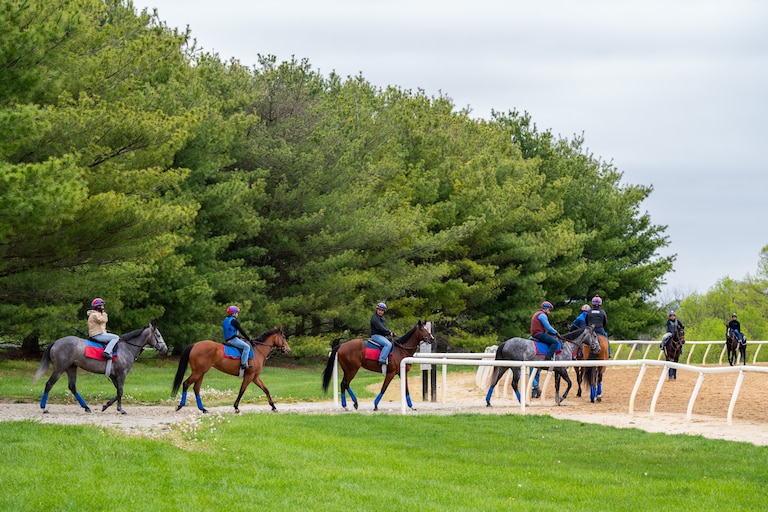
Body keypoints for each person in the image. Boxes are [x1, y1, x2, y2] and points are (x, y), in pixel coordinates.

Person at [222, 305, 252, 370]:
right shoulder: (234, 321)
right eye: (237, 313)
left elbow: (230, 331)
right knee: (247, 347)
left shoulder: (225, 320)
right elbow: (241, 330)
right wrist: (248, 338)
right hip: (233, 340)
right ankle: (243, 364)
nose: (237, 314)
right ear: (234, 313)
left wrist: (238, 336)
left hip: (228, 339)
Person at [371, 301, 394, 374]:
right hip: (376, 336)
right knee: (388, 344)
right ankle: (381, 359)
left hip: (381, 336)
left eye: (382, 311)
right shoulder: (374, 318)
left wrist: (388, 332)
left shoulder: (382, 318)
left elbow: (383, 328)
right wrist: (388, 332)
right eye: (379, 310)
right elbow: (380, 328)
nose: (380, 312)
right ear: (377, 310)